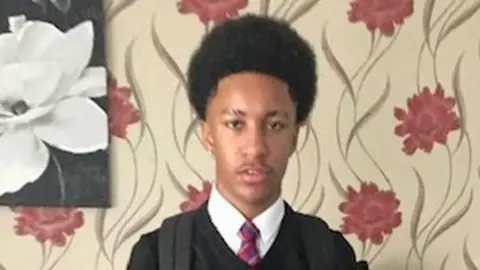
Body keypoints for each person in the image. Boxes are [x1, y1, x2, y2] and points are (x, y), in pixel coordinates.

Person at [126, 13, 367, 270]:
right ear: (207, 133)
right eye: (235, 124)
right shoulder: (159, 256)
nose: (255, 148)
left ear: (294, 136)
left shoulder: (329, 254)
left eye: (275, 125)